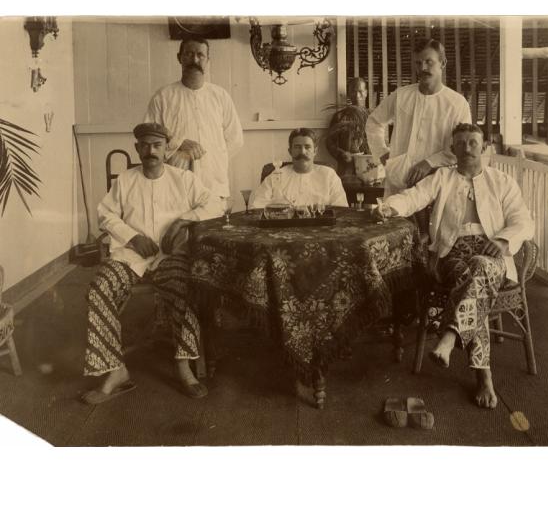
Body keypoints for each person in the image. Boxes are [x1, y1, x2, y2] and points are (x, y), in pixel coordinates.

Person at [374, 123, 534, 409]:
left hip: (492, 251)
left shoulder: (502, 181)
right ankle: (481, 375)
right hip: (451, 253)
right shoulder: (442, 178)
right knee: (475, 275)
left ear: (484, 147)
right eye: (461, 143)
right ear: (452, 150)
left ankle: (451, 339)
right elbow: (413, 197)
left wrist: (503, 240)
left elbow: (523, 221)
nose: (468, 148)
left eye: (473, 142)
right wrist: (389, 207)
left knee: (478, 270)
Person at [81, 123, 222, 404]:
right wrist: (131, 237)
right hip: (130, 257)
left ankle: (183, 364)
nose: (151, 151)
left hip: (171, 257)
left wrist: (184, 221)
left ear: (167, 148)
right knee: (98, 291)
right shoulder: (125, 180)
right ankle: (116, 371)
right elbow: (105, 215)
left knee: (184, 288)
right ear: (137, 148)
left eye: (157, 145)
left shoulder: (183, 179)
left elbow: (215, 205)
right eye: (145, 145)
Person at [366, 38, 472, 196]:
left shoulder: (457, 103)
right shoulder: (401, 95)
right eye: (418, 63)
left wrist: (429, 163)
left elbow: (462, 145)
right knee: (397, 218)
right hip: (400, 181)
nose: (422, 68)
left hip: (437, 181)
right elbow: (373, 122)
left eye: (429, 62)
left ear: (442, 63)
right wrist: (382, 154)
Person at [144, 37, 243, 199]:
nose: (194, 60)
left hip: (213, 185)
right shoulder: (163, 96)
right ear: (179, 58)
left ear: (208, 60)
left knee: (215, 224)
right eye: (189, 54)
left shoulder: (220, 96)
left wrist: (213, 159)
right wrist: (178, 143)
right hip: (176, 183)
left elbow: (235, 139)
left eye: (200, 55)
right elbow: (149, 136)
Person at [251, 128, 349, 209]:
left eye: (307, 147)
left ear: (315, 151)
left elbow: (341, 210)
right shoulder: (275, 176)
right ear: (290, 151)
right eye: (297, 147)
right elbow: (256, 208)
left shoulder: (329, 175)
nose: (302, 152)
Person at [325, 77, 371, 178]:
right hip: (346, 168)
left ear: (366, 93)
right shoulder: (340, 116)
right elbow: (329, 142)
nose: (357, 95)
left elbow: (382, 141)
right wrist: (341, 154)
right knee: (347, 192)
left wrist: (371, 155)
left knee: (371, 192)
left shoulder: (373, 116)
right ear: (349, 94)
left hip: (370, 167)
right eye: (353, 92)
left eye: (360, 91)